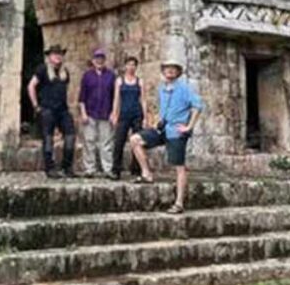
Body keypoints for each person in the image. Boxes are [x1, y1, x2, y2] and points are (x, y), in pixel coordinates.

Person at [129, 56, 204, 214]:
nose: (170, 70)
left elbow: (198, 105)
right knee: (135, 140)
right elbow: (164, 108)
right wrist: (157, 121)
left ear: (177, 72)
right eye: (167, 68)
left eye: (173, 68)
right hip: (162, 129)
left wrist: (189, 126)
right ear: (163, 71)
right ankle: (147, 173)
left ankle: (179, 203)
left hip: (176, 132)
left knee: (179, 167)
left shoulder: (184, 88)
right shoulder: (162, 88)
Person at [27, 44, 76, 179]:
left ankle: (67, 167)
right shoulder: (42, 69)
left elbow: (65, 90)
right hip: (47, 109)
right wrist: (36, 106)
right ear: (49, 57)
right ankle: (50, 168)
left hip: (62, 109)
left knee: (70, 135)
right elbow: (31, 86)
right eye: (55, 54)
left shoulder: (64, 72)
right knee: (48, 138)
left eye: (60, 54)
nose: (58, 56)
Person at [78, 48, 116, 178]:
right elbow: (82, 96)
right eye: (97, 59)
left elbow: (115, 96)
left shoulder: (111, 75)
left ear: (104, 60)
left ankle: (107, 168)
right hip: (90, 112)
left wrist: (114, 113)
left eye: (101, 59)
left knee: (106, 142)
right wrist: (83, 113)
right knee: (89, 141)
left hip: (106, 112)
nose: (99, 61)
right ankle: (90, 169)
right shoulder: (87, 76)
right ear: (93, 61)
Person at [110, 56, 146, 181]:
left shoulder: (139, 81)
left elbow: (143, 99)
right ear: (125, 66)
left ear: (136, 67)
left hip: (137, 114)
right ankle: (116, 170)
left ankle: (136, 168)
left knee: (137, 142)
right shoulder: (119, 81)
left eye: (133, 65)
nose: (131, 67)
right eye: (129, 64)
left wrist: (145, 116)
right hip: (124, 114)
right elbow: (116, 99)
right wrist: (114, 114)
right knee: (119, 142)